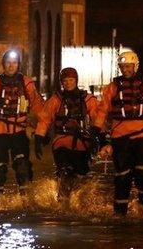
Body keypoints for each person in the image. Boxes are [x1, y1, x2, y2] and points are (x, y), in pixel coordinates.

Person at [91, 51, 143, 216]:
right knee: (122, 176)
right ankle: (120, 213)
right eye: (122, 66)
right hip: (121, 138)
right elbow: (102, 111)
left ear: (135, 66)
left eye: (128, 66)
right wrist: (97, 130)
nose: (125, 69)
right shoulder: (112, 88)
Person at [0, 49, 44, 198]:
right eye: (8, 63)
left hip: (20, 129)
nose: (11, 66)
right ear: (3, 64)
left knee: (22, 165)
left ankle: (25, 198)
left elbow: (38, 105)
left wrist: (42, 130)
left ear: (18, 65)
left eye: (14, 63)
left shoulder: (26, 83)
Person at [35, 67, 100, 199]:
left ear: (76, 81)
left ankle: (75, 201)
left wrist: (100, 138)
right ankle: (63, 201)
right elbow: (44, 120)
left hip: (82, 143)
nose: (68, 83)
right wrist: (39, 137)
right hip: (61, 142)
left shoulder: (88, 100)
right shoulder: (55, 100)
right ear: (61, 82)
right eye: (65, 80)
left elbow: (98, 119)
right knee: (65, 170)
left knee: (80, 175)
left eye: (71, 80)